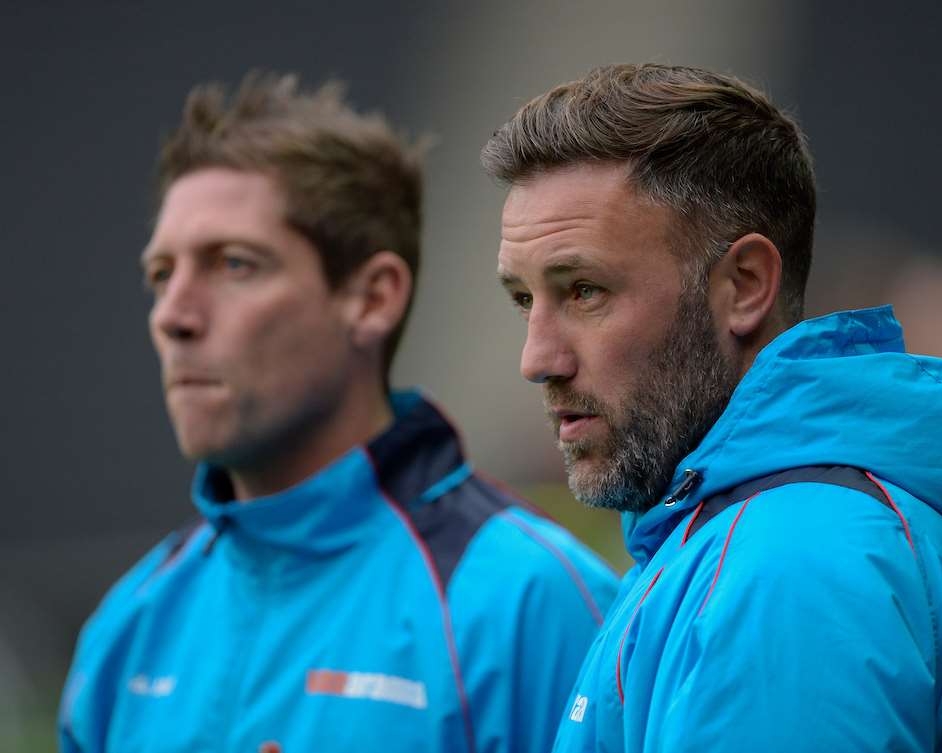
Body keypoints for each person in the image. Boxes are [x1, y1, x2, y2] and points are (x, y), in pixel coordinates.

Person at [59, 72, 617, 753]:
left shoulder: (534, 604)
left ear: (373, 298)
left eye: (234, 264)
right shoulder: (131, 621)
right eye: (160, 274)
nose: (173, 315)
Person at [482, 64, 942, 752]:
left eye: (585, 290)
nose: (537, 358)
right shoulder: (774, 537)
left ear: (743, 286)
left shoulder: (790, 566)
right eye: (525, 299)